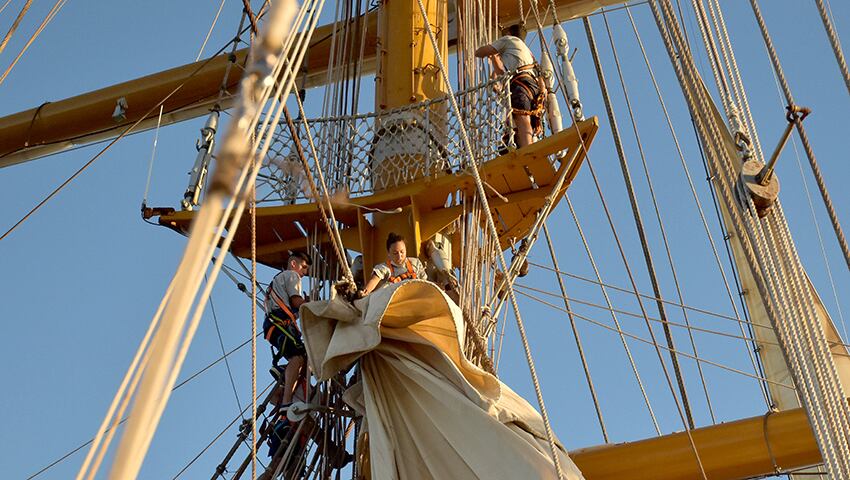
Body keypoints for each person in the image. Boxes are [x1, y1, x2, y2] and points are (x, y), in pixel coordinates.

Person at [475, 23, 547, 148]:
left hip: (521, 83)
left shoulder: (508, 39)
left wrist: (488, 48)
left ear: (509, 34)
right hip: (532, 86)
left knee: (521, 116)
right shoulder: (526, 52)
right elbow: (502, 73)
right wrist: (494, 59)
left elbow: (480, 53)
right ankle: (524, 145)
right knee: (523, 118)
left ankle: (527, 149)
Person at [264, 251, 311, 408]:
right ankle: (286, 401)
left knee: (304, 356)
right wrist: (314, 306)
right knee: (298, 357)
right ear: (293, 264)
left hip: (275, 325)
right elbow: (296, 301)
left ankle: (283, 381)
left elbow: (291, 310)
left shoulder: (277, 281)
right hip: (281, 325)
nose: (304, 273)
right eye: (303, 267)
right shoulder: (292, 276)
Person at [361, 232, 427, 296]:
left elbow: (426, 282)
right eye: (395, 253)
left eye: (402, 252)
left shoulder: (415, 263)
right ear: (389, 254)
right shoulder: (384, 268)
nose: (399, 256)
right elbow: (374, 280)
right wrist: (365, 291)